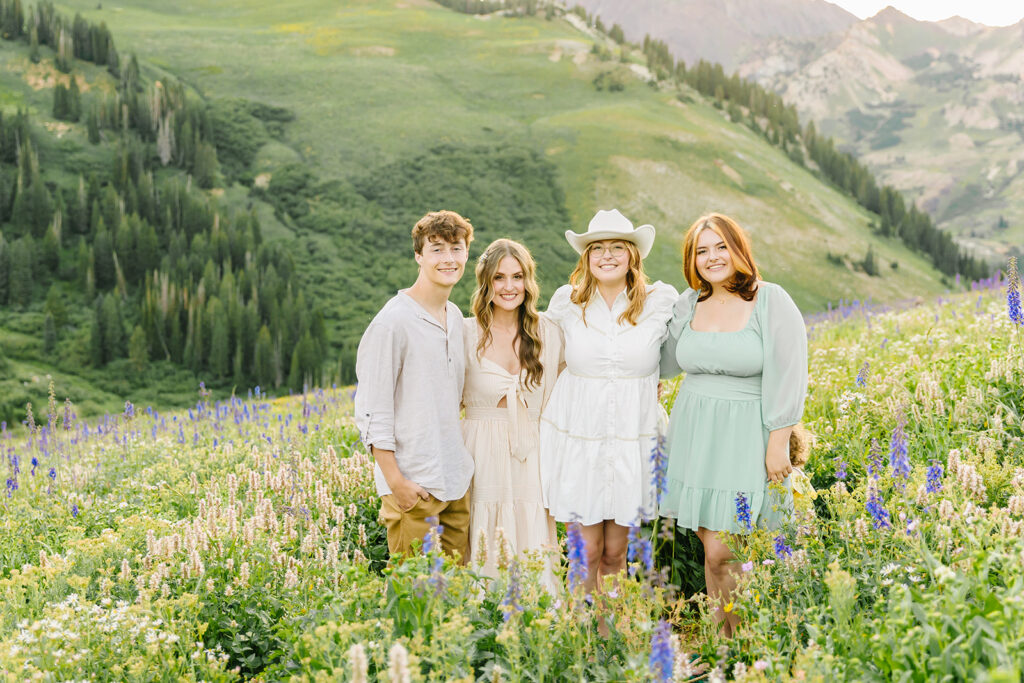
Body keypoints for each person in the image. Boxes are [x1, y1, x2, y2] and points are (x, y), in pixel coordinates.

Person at [659, 213, 808, 637]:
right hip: (696, 435)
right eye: (701, 251)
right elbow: (664, 362)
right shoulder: (688, 304)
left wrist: (778, 442)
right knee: (713, 553)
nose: (712, 257)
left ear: (738, 248)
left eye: (720, 246)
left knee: (734, 553)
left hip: (748, 435)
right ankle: (724, 648)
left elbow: (790, 372)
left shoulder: (770, 300)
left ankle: (752, 644)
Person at [540, 209, 678, 597]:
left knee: (617, 553)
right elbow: (544, 352)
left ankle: (610, 634)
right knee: (587, 550)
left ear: (633, 255)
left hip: (631, 439)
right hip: (580, 438)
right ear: (586, 257)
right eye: (597, 248)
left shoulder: (658, 300)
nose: (607, 255)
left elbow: (685, 342)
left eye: (617, 247)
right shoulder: (567, 301)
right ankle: (579, 636)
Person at [354, 210, 475, 563]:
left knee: (453, 601)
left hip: (455, 484)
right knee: (414, 601)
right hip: (414, 486)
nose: (448, 258)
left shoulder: (454, 317)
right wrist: (397, 484)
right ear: (419, 256)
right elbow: (372, 411)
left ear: (466, 253)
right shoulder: (392, 322)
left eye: (456, 248)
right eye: (436, 249)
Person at [462, 238, 561, 587]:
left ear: (528, 282)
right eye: (499, 278)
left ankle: (538, 623)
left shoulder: (548, 332)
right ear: (485, 282)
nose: (509, 287)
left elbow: (582, 379)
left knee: (530, 529)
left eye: (517, 277)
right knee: (485, 534)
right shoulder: (463, 332)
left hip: (531, 454)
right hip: (480, 452)